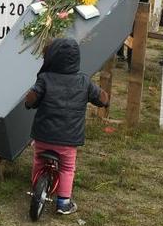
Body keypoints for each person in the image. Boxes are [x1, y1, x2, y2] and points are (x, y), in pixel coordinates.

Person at [23, 38, 109, 215]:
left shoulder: (45, 78)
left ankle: (36, 187)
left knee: (38, 160)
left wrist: (29, 100)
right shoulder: (83, 81)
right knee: (67, 167)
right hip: (68, 139)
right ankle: (63, 202)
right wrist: (104, 99)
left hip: (43, 135)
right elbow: (101, 98)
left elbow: (32, 98)